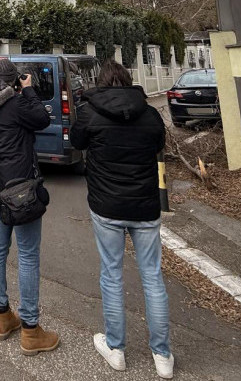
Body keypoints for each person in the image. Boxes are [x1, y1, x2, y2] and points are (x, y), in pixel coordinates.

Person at [70, 60, 172, 378]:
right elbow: (159, 145)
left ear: (100, 83)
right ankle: (163, 356)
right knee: (152, 277)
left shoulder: (90, 112)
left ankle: (116, 349)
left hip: (107, 206)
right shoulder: (150, 114)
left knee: (112, 275)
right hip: (144, 206)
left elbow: (77, 142)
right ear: (129, 81)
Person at [0, 58, 58, 356]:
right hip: (22, 190)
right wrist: (30, 89)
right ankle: (31, 330)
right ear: (12, 82)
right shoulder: (16, 104)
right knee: (28, 254)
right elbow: (43, 120)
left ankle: (2, 317)